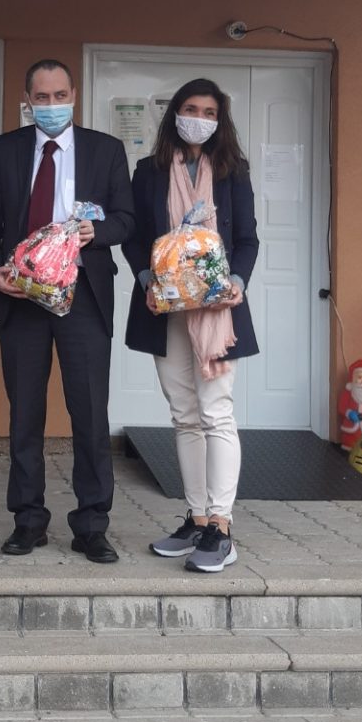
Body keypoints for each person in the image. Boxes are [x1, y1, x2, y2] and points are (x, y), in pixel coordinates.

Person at [0, 59, 134, 562]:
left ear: (74, 95)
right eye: (41, 98)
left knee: (90, 414)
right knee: (25, 414)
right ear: (27, 100)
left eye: (59, 95)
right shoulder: (6, 149)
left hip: (83, 297)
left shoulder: (106, 150)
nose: (51, 105)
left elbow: (126, 219)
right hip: (21, 295)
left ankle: (92, 525)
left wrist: (96, 232)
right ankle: (28, 520)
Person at [124, 79, 259, 574]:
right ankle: (197, 518)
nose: (198, 118)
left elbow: (248, 238)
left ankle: (221, 527)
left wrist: (237, 281)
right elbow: (134, 237)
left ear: (220, 120)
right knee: (183, 414)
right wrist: (147, 279)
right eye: (190, 108)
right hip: (164, 310)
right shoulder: (148, 171)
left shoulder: (233, 171)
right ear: (174, 114)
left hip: (216, 313)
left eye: (208, 112)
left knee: (216, 412)